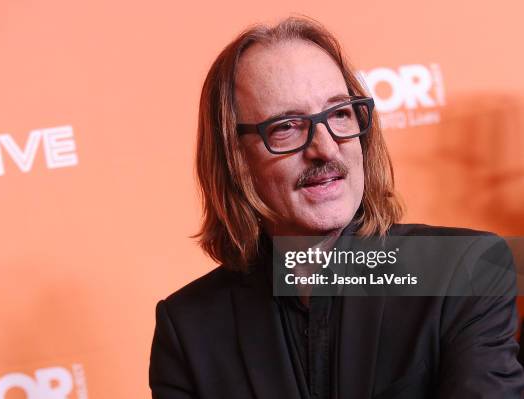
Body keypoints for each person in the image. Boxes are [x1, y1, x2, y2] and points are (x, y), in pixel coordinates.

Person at [149, 16, 524, 399]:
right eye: (287, 126)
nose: (325, 148)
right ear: (235, 158)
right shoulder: (188, 330)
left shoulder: (466, 271)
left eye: (340, 113)